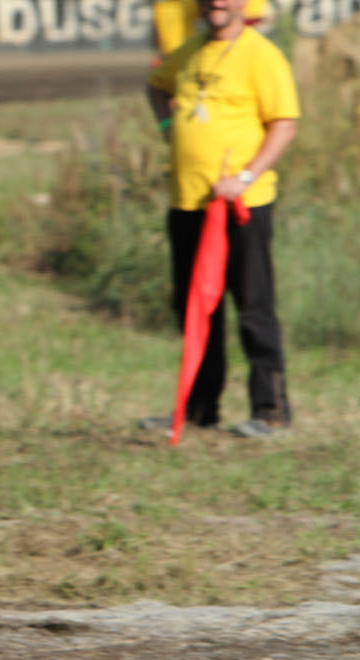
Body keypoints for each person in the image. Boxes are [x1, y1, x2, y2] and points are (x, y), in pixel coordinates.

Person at [143, 0, 300, 439]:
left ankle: (271, 411)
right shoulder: (190, 50)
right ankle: (198, 409)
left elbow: (284, 125)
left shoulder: (261, 55)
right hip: (188, 202)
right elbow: (156, 85)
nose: (217, 3)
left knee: (253, 306)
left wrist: (246, 176)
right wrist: (168, 129)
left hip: (242, 206)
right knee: (194, 309)